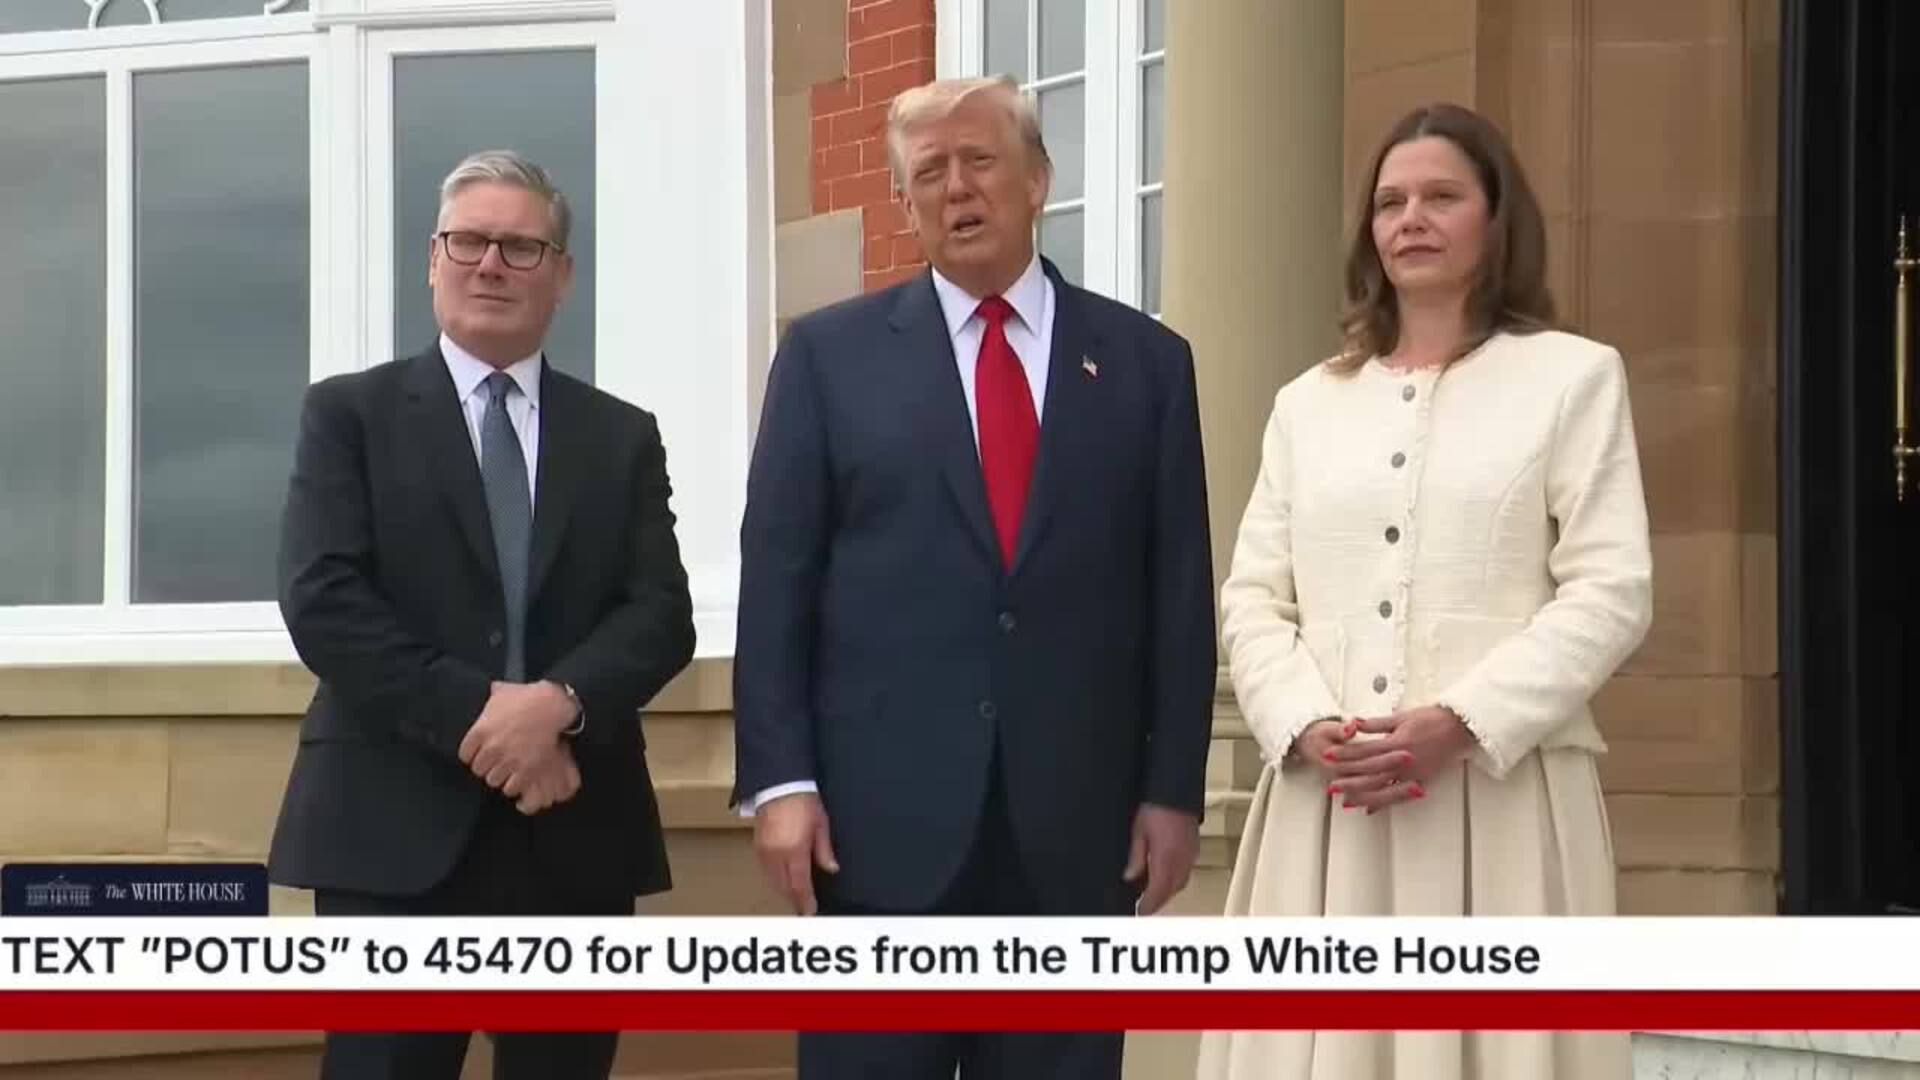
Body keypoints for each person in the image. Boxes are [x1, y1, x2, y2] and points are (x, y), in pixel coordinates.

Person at [733, 75, 1216, 1079]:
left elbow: (1177, 597)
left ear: (1037, 179)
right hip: (873, 835)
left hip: (1076, 836)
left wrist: (1174, 790)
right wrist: (781, 781)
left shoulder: (1146, 363)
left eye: (979, 161)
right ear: (905, 202)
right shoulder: (827, 358)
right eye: (929, 173)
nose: (956, 188)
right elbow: (777, 586)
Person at [1197, 103, 1653, 1080]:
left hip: (1502, 804)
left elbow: (1613, 588)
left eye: (1442, 196)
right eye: (1390, 201)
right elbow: (1252, 595)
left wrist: (1462, 720)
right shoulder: (1307, 404)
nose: (1411, 218)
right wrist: (1304, 722)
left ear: (1497, 218)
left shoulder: (1573, 379)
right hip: (1329, 810)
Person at [269, 149, 695, 1080]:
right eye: (468, 242)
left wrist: (558, 705)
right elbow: (324, 600)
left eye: (520, 247)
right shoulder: (349, 416)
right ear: (433, 260)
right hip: (390, 835)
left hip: (575, 835)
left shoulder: (621, 436)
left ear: (562, 275)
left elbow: (662, 613)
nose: (491, 264)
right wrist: (489, 719)